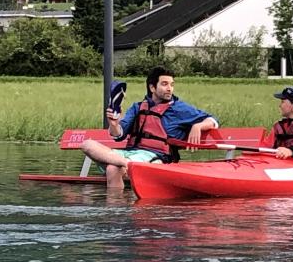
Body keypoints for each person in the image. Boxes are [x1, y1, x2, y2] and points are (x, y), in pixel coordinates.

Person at [81, 66, 218, 188]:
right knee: (87, 144)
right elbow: (119, 135)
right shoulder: (138, 107)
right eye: (164, 84)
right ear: (152, 87)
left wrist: (198, 126)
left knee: (112, 169)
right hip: (130, 155)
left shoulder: (180, 108)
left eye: (171, 84)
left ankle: (115, 212)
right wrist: (114, 124)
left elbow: (212, 121)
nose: (169, 88)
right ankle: (127, 165)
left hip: (156, 159)